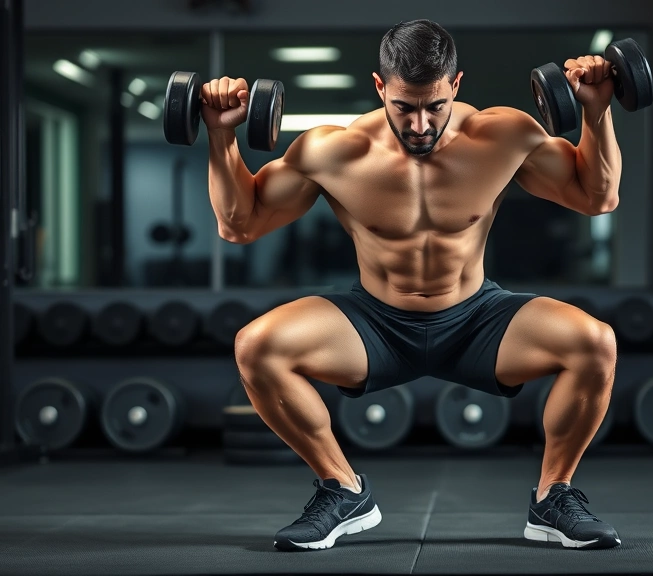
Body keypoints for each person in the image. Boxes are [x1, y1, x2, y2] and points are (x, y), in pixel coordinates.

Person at [204, 19, 621, 551]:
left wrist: (596, 108)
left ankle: (553, 496)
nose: (421, 123)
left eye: (435, 106)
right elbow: (241, 225)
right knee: (257, 346)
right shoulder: (334, 151)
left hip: (476, 319)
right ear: (381, 88)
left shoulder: (503, 136)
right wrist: (221, 134)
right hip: (376, 324)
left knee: (594, 343)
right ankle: (343, 489)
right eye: (404, 107)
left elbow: (597, 197)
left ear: (456, 85)